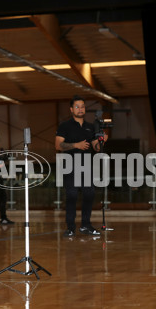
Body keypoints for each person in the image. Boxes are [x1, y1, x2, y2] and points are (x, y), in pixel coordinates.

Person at [55, 95, 107, 237]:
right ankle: (70, 227)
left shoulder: (90, 127)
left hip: (86, 165)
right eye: (77, 106)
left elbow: (96, 148)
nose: (80, 109)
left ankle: (86, 225)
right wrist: (76, 145)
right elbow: (58, 145)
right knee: (71, 195)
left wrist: (102, 140)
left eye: (83, 106)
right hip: (70, 164)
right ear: (71, 109)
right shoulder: (64, 126)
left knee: (89, 194)